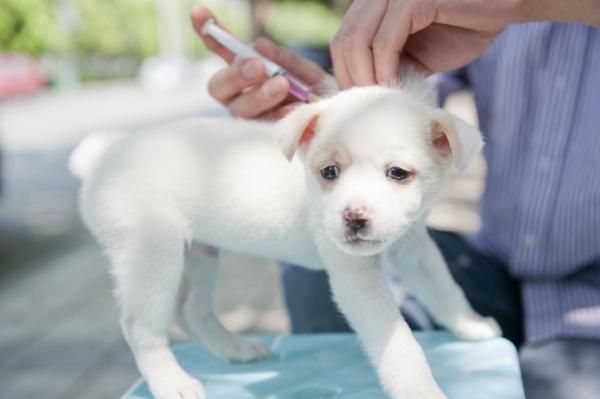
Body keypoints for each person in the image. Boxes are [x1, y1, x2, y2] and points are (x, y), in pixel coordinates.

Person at [191, 2, 600, 398]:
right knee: (324, 235)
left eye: (398, 175)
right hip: (491, 260)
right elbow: (407, 104)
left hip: (589, 297)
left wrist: (528, 4)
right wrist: (339, 108)